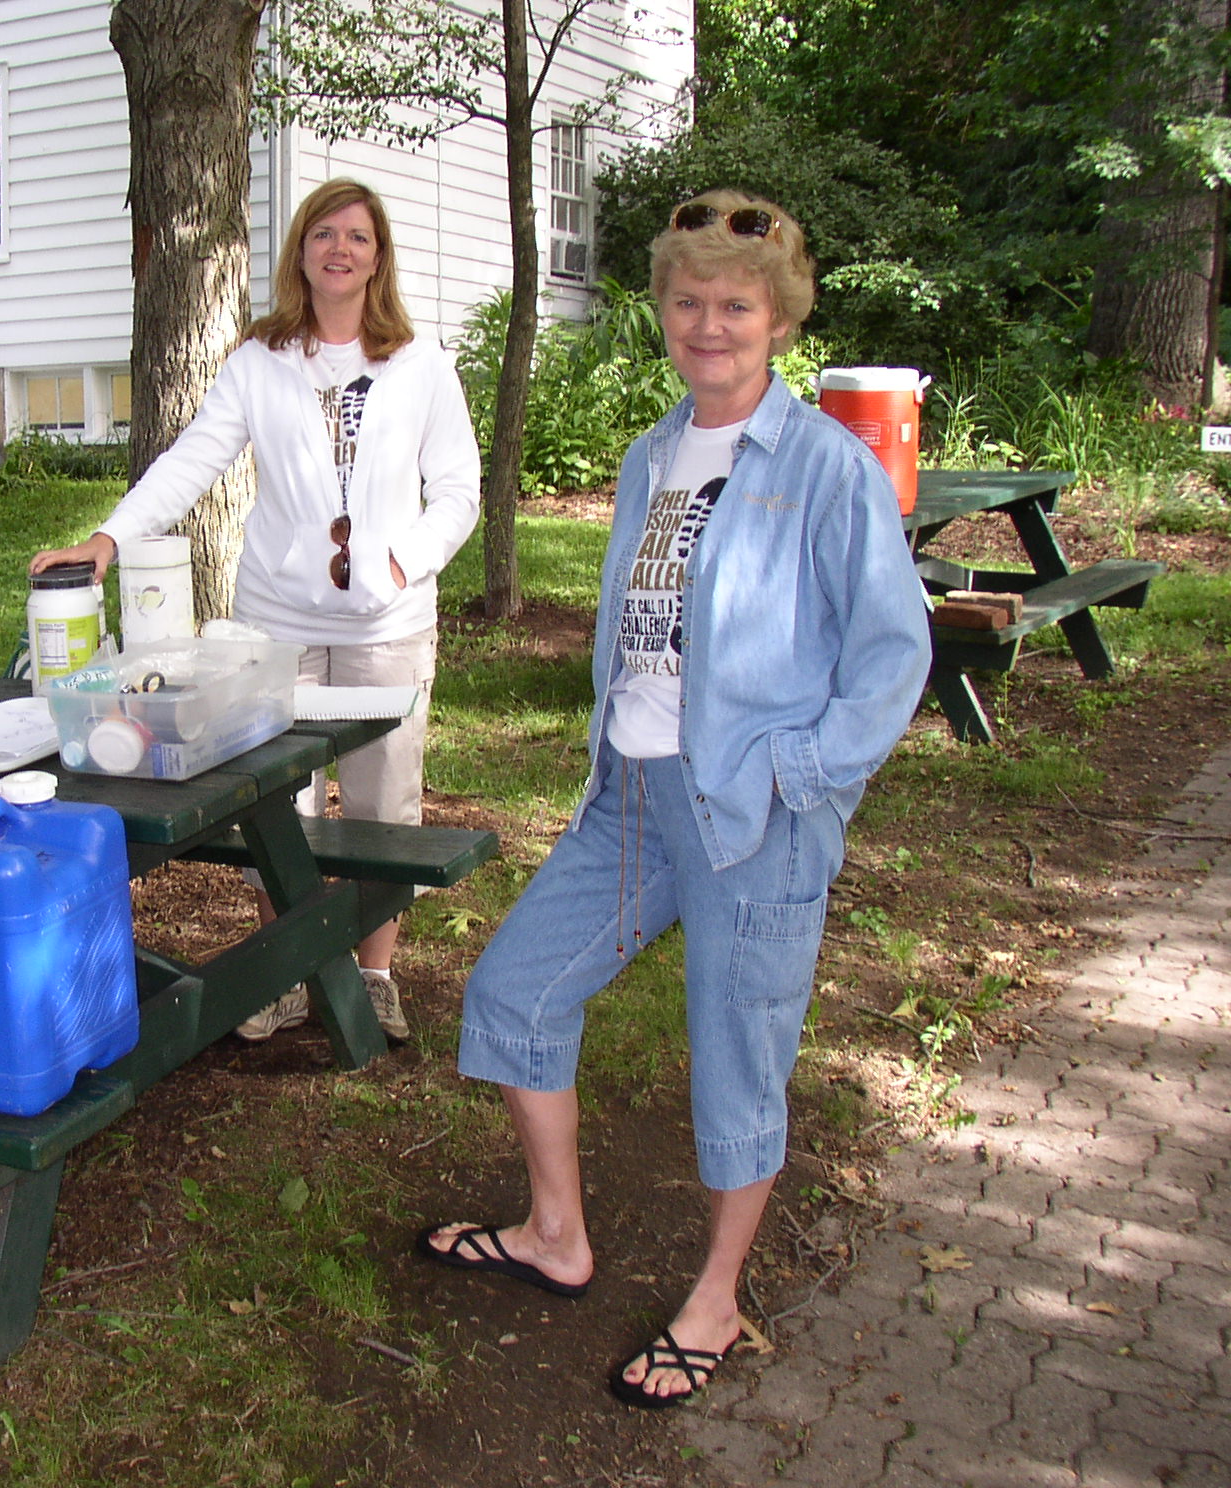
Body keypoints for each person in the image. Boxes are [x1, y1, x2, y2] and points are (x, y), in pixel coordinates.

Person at [415, 190, 931, 1408]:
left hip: (752, 812)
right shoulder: (654, 450)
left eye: (735, 306)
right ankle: (557, 1235)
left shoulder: (823, 469)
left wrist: (799, 773)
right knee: (515, 989)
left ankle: (715, 1296)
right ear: (665, 312)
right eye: (688, 303)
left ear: (779, 320)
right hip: (632, 792)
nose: (709, 325)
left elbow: (892, 654)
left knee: (734, 1059)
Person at [30, 177, 480, 1044]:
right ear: (301, 251)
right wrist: (110, 538)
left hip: (386, 625)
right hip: (278, 622)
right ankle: (286, 963)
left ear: (378, 256)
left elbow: (458, 491)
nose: (339, 249)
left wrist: (402, 560)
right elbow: (194, 457)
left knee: (385, 804)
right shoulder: (258, 361)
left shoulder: (421, 366)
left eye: (357, 236)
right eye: (323, 234)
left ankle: (374, 971)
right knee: (280, 800)